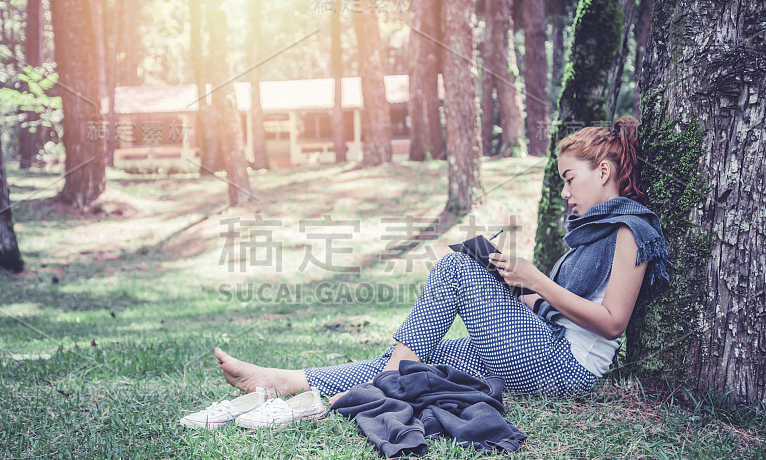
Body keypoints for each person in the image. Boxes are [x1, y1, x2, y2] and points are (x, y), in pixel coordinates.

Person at [215, 117, 669, 401]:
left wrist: (537, 280)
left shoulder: (632, 231)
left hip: (567, 371)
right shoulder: (591, 234)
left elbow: (611, 324)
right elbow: (561, 310)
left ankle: (386, 389)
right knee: (421, 355)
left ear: (604, 172)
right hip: (544, 347)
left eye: (570, 179)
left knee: (455, 268)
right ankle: (287, 380)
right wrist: (516, 287)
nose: (565, 192)